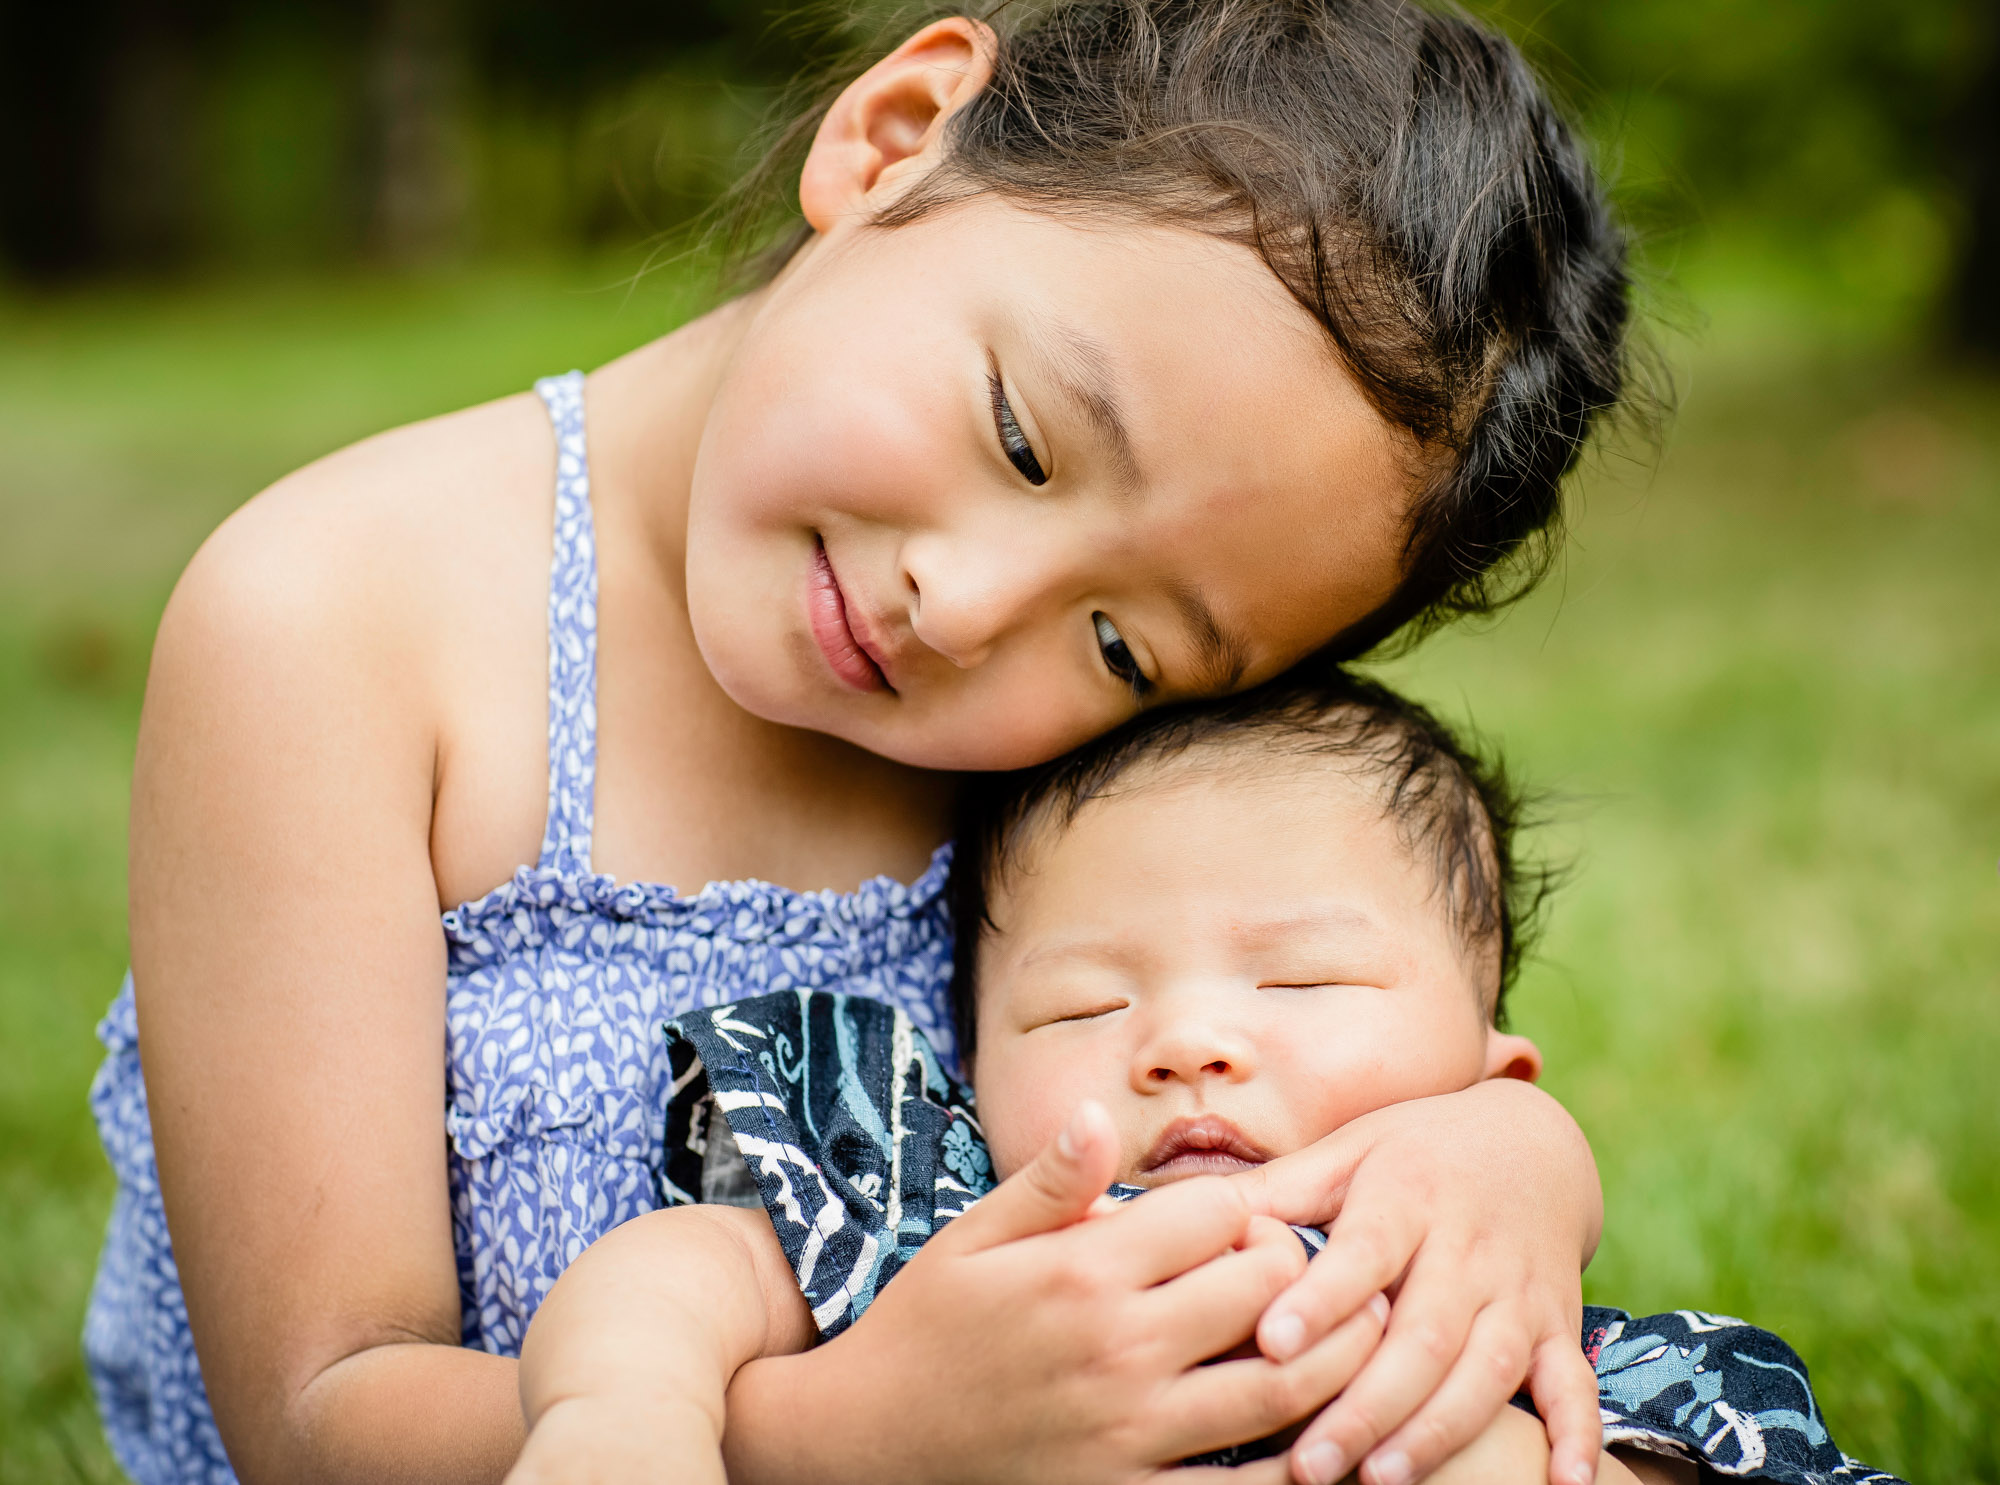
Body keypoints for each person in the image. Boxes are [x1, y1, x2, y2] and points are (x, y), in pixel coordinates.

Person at [83, 3, 1639, 1483]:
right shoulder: (333, 621)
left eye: (1123, 642)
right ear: (894, 134)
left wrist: (1512, 1152)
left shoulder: (1089, 751)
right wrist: (860, 1439)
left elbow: (1307, 1010)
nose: (962, 610)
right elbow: (310, 1417)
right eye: (1025, 439)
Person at [505, 671, 1904, 1485]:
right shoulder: (935, 1217)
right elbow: (674, 1272)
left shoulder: (1494, 1287)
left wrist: (1518, 1153)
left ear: (1490, 1073)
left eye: (1299, 981)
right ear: (969, 1062)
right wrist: (620, 1411)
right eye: (1084, 1000)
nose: (1183, 1040)